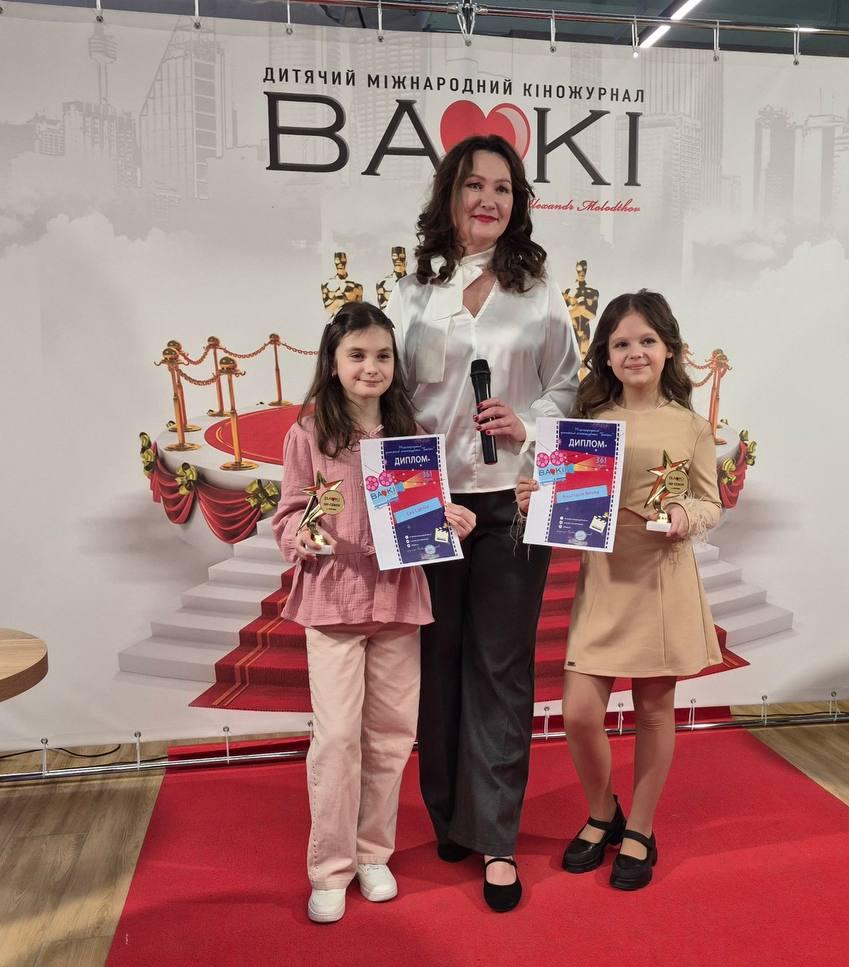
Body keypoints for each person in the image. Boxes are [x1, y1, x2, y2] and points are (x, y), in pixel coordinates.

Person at [387, 134, 580, 912]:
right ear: (449, 195)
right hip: (427, 497)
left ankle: (496, 834)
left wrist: (529, 424)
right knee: (435, 662)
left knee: (500, 667)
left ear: (516, 202)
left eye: (503, 188)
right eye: (474, 185)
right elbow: (386, 393)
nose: (488, 200)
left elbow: (568, 384)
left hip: (513, 500)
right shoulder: (411, 292)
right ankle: (449, 816)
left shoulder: (538, 293)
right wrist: (407, 469)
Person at [272, 302, 476, 924]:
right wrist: (303, 536)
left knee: (389, 738)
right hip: (333, 601)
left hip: (397, 601)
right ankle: (329, 868)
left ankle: (372, 854)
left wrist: (449, 517)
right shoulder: (308, 434)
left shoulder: (411, 436)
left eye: (382, 355)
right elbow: (289, 514)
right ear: (332, 363)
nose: (371, 367)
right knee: (337, 740)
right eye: (357, 355)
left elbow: (425, 510)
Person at [516, 291, 722, 891]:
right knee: (580, 714)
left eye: (647, 341)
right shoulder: (585, 426)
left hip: (662, 581)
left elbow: (710, 502)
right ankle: (603, 811)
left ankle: (642, 828)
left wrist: (685, 514)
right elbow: (567, 512)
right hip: (603, 583)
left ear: (669, 349)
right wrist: (536, 501)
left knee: (655, 712)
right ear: (605, 355)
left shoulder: (691, 427)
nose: (636, 352)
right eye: (622, 343)